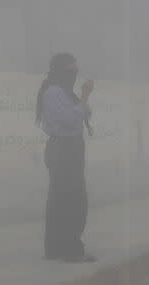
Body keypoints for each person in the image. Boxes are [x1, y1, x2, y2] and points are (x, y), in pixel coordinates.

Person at [36, 53, 96, 263]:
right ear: (62, 69)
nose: (75, 72)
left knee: (61, 200)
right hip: (63, 149)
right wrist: (85, 95)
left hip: (68, 148)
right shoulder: (54, 92)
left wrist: (82, 102)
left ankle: (56, 249)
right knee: (74, 201)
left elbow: (82, 114)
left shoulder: (63, 92)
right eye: (72, 68)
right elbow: (70, 119)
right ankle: (70, 250)